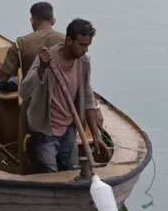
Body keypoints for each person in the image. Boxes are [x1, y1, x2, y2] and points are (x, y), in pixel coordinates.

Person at [20, 18, 107, 173]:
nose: (85, 50)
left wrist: (96, 135)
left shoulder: (83, 62)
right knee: (49, 175)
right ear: (68, 40)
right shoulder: (47, 58)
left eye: (87, 45)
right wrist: (41, 69)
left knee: (72, 172)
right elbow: (24, 91)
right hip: (44, 132)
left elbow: (88, 98)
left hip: (69, 129)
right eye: (81, 45)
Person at [0, 1, 65, 93]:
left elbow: (3, 76)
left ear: (32, 21)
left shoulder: (21, 43)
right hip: (61, 94)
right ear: (53, 20)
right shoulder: (66, 41)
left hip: (33, 97)